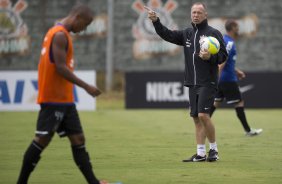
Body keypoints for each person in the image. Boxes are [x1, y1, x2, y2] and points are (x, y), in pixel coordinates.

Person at [17, 4, 108, 184]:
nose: (84, 30)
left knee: (78, 138)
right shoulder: (59, 35)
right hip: (53, 99)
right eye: (85, 25)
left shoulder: (57, 31)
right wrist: (86, 86)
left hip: (65, 100)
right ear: (77, 18)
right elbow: (60, 68)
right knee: (42, 139)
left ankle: (94, 183)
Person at [145, 2, 228, 162]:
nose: (196, 15)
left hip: (208, 82)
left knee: (204, 115)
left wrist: (210, 57)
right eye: (193, 12)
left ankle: (214, 150)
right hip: (192, 83)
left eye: (199, 12)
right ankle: (200, 153)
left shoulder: (213, 33)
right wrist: (156, 21)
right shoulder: (187, 33)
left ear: (205, 15)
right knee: (196, 117)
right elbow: (167, 34)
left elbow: (223, 56)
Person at [209, 19, 263, 136]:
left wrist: (236, 71)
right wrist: (216, 78)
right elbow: (222, 62)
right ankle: (248, 131)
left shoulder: (225, 40)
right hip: (227, 80)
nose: (238, 29)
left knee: (216, 103)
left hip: (223, 78)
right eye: (237, 27)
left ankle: (202, 123)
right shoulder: (228, 42)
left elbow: (224, 61)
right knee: (239, 103)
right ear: (233, 27)